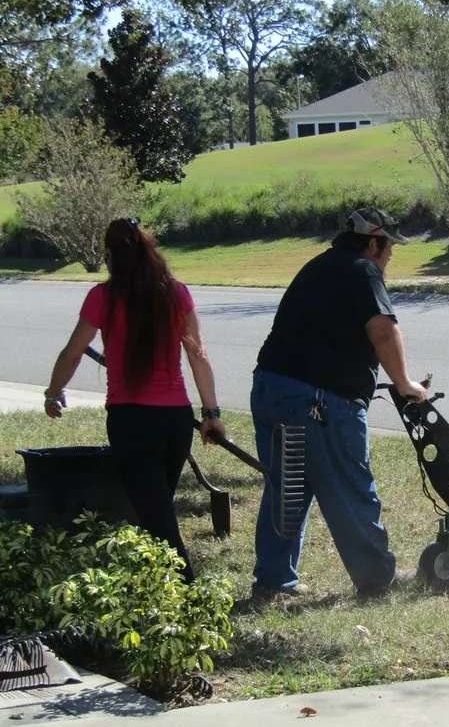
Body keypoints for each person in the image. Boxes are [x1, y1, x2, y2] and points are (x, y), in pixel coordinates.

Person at [251, 206, 427, 599]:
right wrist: (404, 384)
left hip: (271, 389)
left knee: (287, 488)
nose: (389, 258)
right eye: (387, 249)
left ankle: (274, 581)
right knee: (350, 483)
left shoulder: (318, 266)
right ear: (372, 243)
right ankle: (377, 580)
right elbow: (382, 329)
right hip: (318, 401)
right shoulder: (362, 270)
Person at [43, 217, 226, 584]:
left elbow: (72, 353)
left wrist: (52, 392)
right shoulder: (177, 292)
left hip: (132, 422)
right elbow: (199, 357)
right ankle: (151, 586)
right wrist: (211, 412)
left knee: (157, 517)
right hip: (175, 422)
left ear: (111, 256)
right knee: (154, 511)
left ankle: (188, 594)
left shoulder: (103, 297)